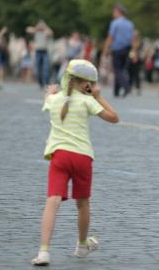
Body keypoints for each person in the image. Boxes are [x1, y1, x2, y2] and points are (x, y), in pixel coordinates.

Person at [31, 59, 119, 266]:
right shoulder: (88, 101)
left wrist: (50, 92)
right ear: (88, 84)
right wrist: (98, 96)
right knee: (83, 203)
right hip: (82, 157)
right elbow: (114, 117)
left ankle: (44, 251)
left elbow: (49, 98)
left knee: (52, 201)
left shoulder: (54, 100)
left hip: (59, 156)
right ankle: (81, 245)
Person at [103, 3, 135, 97]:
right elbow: (132, 38)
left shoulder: (115, 23)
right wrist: (133, 50)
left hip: (117, 48)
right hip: (127, 49)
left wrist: (105, 49)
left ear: (119, 12)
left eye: (114, 12)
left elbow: (110, 37)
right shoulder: (130, 24)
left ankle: (126, 87)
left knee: (117, 69)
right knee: (121, 69)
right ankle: (116, 91)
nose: (113, 14)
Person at [26, 20, 53, 89]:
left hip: (45, 52)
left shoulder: (45, 32)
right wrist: (36, 28)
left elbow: (51, 32)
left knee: (46, 68)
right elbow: (28, 29)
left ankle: (47, 82)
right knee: (38, 68)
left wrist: (45, 27)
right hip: (38, 51)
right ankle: (40, 82)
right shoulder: (36, 31)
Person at [128, 29, 143, 95]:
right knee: (130, 74)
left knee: (136, 74)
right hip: (130, 59)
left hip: (137, 59)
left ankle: (138, 88)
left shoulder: (140, 42)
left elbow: (140, 51)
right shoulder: (130, 41)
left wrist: (136, 57)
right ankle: (130, 88)